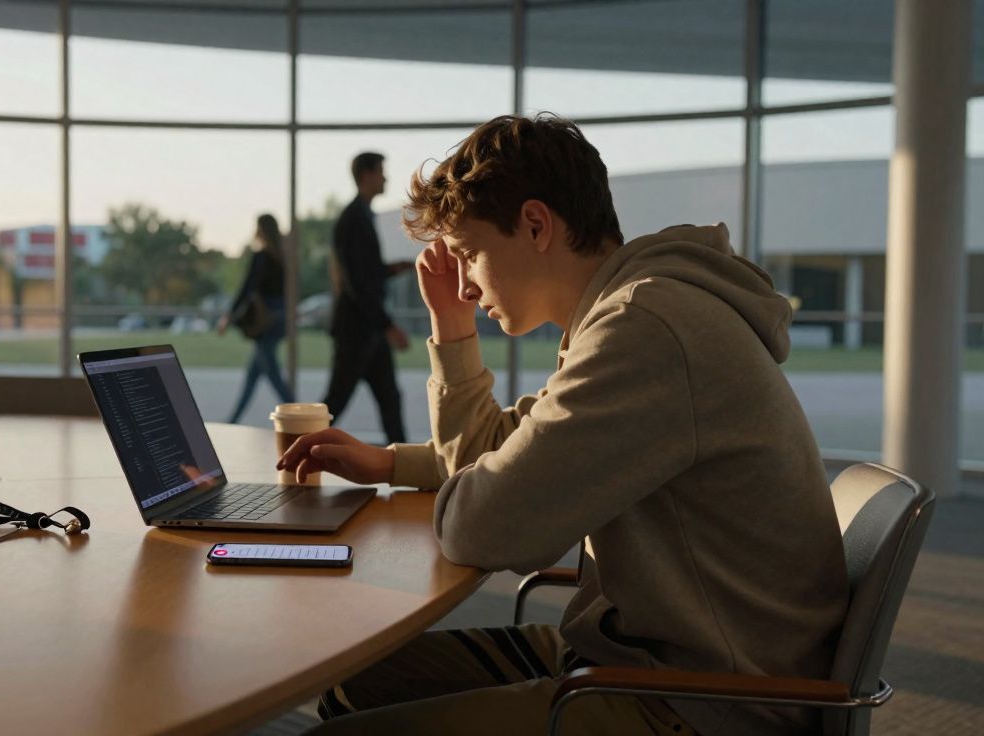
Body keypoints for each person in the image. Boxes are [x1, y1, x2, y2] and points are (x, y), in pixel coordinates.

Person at [278, 114, 848, 736]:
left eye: (469, 254)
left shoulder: (647, 328)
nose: (464, 284)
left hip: (699, 698)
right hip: (643, 654)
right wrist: (400, 445)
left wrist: (463, 484)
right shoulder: (629, 310)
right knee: (358, 685)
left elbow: (487, 529)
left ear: (535, 225)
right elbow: (509, 449)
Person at [322, 152, 412, 444]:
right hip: (357, 330)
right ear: (366, 175)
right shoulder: (353, 219)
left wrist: (390, 269)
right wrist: (388, 325)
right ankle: (300, 451)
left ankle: (406, 468)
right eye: (381, 172)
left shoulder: (362, 216)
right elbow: (358, 282)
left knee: (389, 399)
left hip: (367, 329)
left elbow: (364, 273)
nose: (385, 178)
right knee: (335, 402)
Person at [217, 213, 295, 422]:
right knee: (253, 376)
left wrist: (228, 315)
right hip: (279, 319)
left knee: (274, 377)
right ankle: (232, 421)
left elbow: (247, 287)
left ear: (262, 230)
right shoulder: (283, 257)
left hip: (265, 321)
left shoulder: (262, 257)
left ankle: (302, 419)